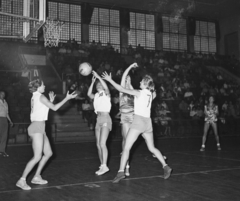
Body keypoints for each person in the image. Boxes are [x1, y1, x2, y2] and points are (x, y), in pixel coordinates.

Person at [102, 71, 172, 183]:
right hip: (148, 123)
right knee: (152, 148)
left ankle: (120, 172)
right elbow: (141, 93)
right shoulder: (151, 94)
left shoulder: (139, 93)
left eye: (141, 81)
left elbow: (121, 89)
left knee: (126, 148)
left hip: (138, 122)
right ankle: (165, 166)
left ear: (144, 84)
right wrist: (129, 84)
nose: (139, 82)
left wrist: (110, 80)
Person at [16, 79, 77, 190]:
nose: (45, 86)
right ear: (38, 86)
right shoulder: (41, 96)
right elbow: (54, 108)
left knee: (48, 153)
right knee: (37, 156)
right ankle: (22, 180)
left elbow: (44, 108)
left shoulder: (36, 96)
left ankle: (36, 176)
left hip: (40, 127)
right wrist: (67, 98)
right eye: (43, 84)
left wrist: (51, 101)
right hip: (37, 127)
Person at [87, 71, 112, 176]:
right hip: (98, 119)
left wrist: (99, 78)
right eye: (97, 84)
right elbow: (88, 94)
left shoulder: (106, 94)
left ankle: (105, 165)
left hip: (106, 118)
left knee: (102, 143)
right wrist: (93, 82)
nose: (98, 84)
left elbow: (106, 88)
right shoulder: (96, 95)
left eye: (100, 84)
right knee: (98, 144)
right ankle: (102, 165)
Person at [119, 63, 137, 176]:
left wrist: (129, 83)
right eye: (125, 78)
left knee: (129, 143)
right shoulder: (121, 90)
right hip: (125, 117)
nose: (126, 79)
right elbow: (123, 77)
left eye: (128, 78)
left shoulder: (133, 91)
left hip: (133, 117)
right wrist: (130, 67)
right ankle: (126, 166)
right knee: (126, 142)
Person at [0, 91, 13, 157]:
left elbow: (7, 113)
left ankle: (2, 151)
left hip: (5, 119)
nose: (3, 95)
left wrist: (10, 121)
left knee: (4, 136)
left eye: (4, 94)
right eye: (1, 94)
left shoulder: (5, 102)